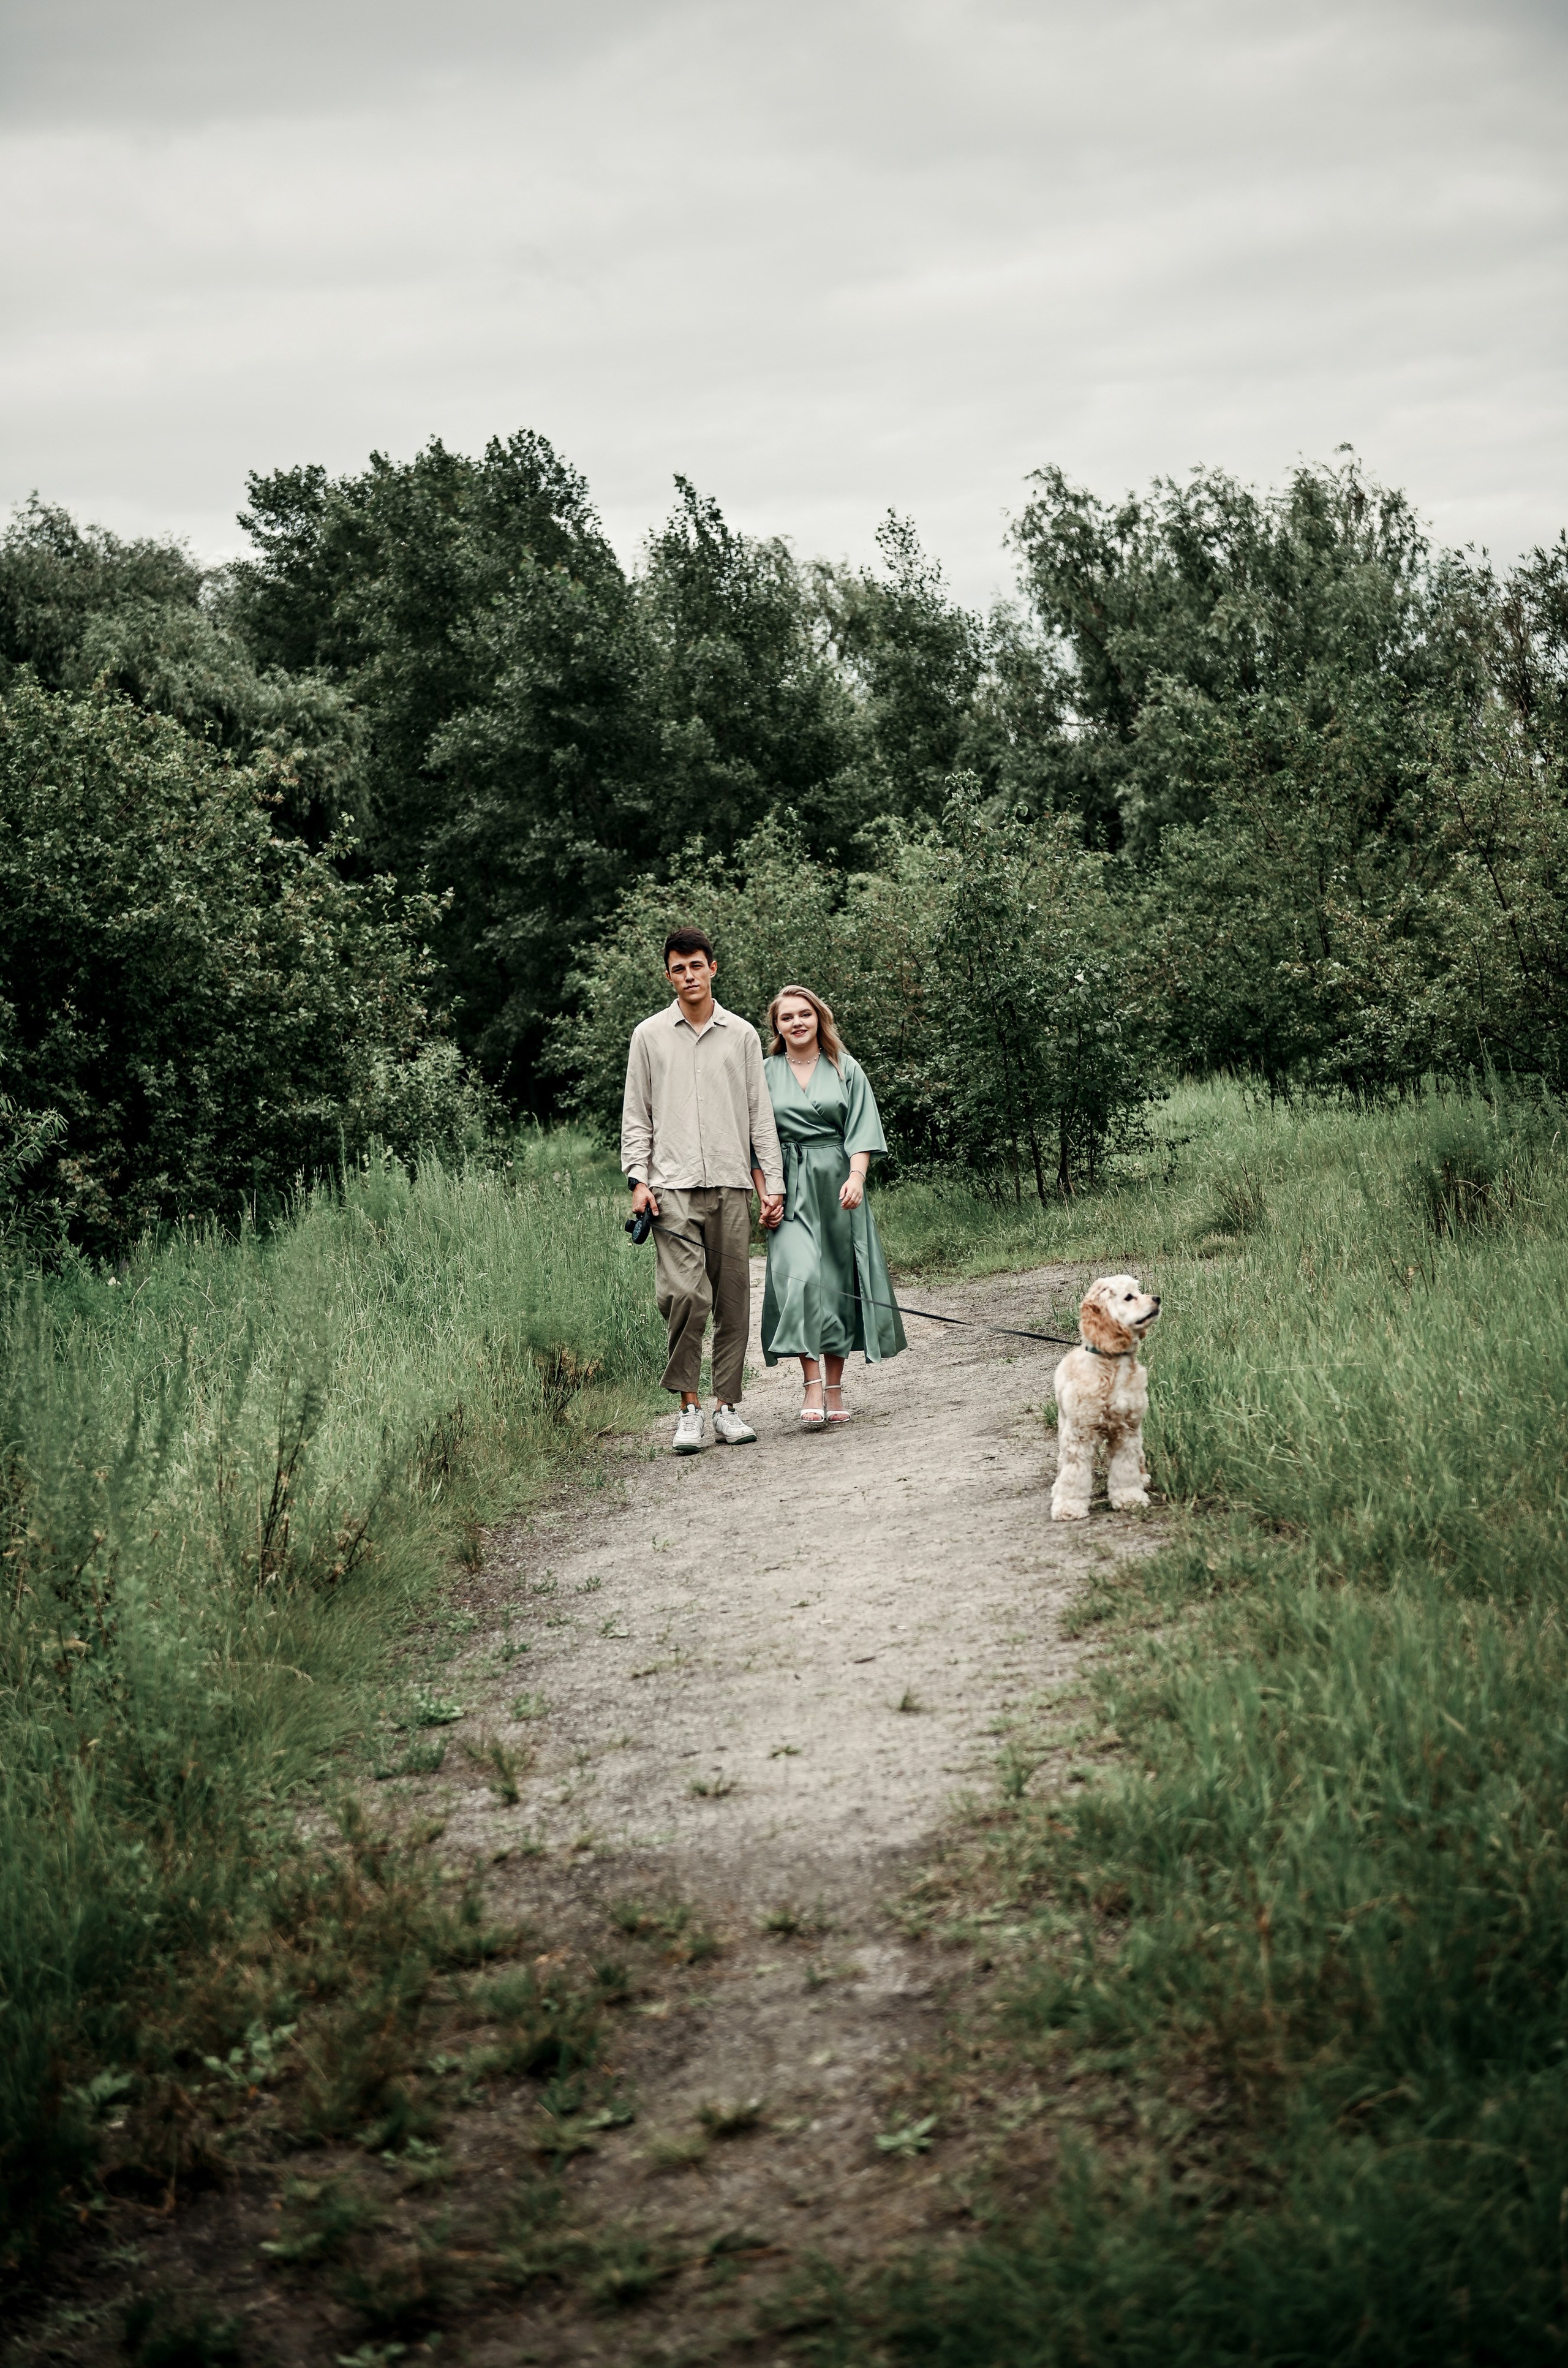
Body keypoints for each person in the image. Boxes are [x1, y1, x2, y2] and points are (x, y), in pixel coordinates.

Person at [621, 928, 785, 1455]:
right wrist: (638, 1180)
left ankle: (727, 1408)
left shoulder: (742, 1035)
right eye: (678, 969)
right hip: (670, 1189)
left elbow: (761, 1116)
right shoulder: (648, 1035)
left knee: (733, 1302)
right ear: (668, 975)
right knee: (686, 1297)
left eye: (696, 965)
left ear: (714, 968)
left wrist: (772, 1184)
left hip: (733, 1185)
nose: (688, 976)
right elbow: (635, 1115)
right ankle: (688, 1409)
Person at [755, 984, 905, 1427]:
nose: (797, 1023)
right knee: (798, 1279)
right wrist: (764, 1192)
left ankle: (835, 1386)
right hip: (787, 1185)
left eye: (805, 1014)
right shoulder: (764, 1072)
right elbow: (755, 1140)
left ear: (819, 1018)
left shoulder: (846, 1068)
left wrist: (857, 1177)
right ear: (777, 1027)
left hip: (838, 1182)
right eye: (787, 1018)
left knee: (838, 1282)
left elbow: (861, 1129)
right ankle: (811, 1382)